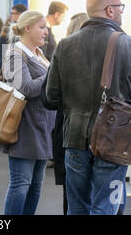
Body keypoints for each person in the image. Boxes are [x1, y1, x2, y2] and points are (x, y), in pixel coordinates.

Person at [46, 0, 131, 215]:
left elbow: (50, 97)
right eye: (121, 8)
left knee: (77, 206)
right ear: (110, 10)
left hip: (74, 138)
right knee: (105, 207)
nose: (122, 12)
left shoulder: (65, 45)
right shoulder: (128, 44)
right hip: (114, 140)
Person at [0, 10, 55, 215]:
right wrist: (52, 74)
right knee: (21, 183)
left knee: (35, 185)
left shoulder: (37, 53)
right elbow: (25, 88)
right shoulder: (15, 53)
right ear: (28, 28)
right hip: (25, 127)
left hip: (41, 127)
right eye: (42, 27)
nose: (46, 32)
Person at [41, 12, 89, 215]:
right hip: (99, 136)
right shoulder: (104, 58)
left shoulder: (63, 55)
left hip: (68, 131)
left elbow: (48, 98)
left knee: (71, 195)